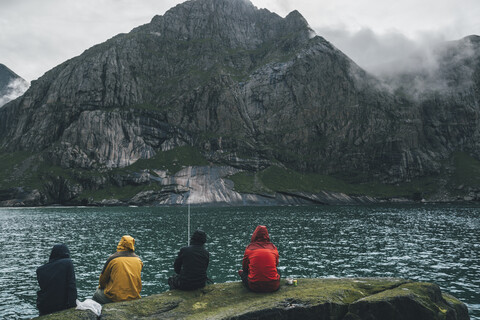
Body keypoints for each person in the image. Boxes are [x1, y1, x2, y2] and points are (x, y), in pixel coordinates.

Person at [93, 235, 143, 304]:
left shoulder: (113, 259)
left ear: (120, 244)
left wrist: (102, 287)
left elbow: (102, 280)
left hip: (115, 298)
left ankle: (97, 312)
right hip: (134, 297)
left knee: (97, 294)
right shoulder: (138, 260)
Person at [36, 244, 77, 316]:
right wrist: (73, 307)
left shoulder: (40, 270)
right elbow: (71, 287)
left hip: (43, 307)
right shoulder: (68, 263)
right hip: (61, 306)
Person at [239, 225, 280, 292]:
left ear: (254, 235)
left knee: (242, 273)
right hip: (273, 286)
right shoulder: (273, 248)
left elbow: (245, 268)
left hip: (254, 286)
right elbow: (275, 265)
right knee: (278, 271)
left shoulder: (249, 248)